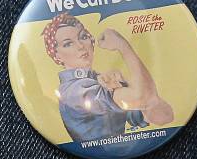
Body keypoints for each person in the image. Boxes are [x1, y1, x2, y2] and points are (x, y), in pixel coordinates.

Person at [41, 13, 172, 143]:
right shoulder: (74, 91)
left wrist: (126, 86)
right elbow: (143, 97)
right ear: (56, 55)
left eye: (83, 37)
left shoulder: (98, 80)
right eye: (68, 44)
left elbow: (164, 116)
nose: (81, 46)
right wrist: (123, 46)